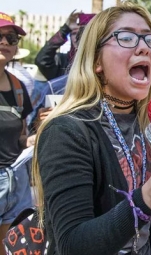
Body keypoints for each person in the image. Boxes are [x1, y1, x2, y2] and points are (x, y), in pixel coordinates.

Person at [31, 3, 151, 255]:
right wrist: (147, 199)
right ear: (96, 61)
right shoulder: (66, 131)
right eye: (126, 37)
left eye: (150, 38)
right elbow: (72, 244)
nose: (143, 47)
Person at [0, 12, 34, 255]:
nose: (4, 43)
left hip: (17, 180)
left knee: (10, 249)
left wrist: (33, 138)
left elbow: (21, 137)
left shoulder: (19, 87)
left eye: (11, 38)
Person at [34, 10, 94, 80]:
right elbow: (42, 60)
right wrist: (66, 28)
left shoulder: (100, 62)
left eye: (82, 32)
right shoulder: (62, 61)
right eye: (74, 33)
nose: (77, 37)